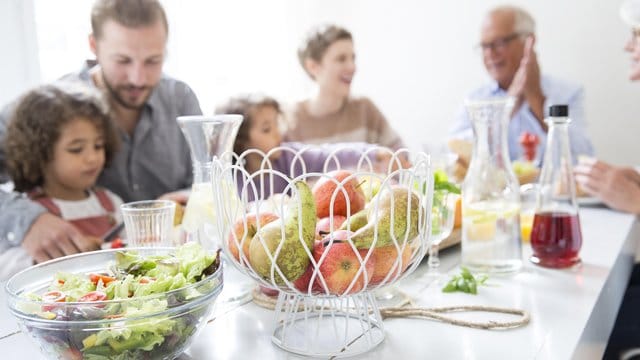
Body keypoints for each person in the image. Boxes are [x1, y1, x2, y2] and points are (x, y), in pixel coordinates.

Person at [0, 0, 200, 265]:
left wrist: (188, 199)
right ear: (94, 46)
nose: (138, 78)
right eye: (123, 60)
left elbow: (208, 180)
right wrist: (26, 220)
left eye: (153, 60)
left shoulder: (180, 99)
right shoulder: (50, 107)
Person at [1, 82, 122, 279]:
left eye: (98, 146)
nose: (92, 157)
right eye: (76, 149)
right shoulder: (29, 211)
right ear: (41, 153)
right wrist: (39, 261)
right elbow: (5, 266)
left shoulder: (110, 202)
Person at [449, 5, 594, 162]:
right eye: (484, 46)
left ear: (528, 41)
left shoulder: (567, 92)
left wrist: (537, 98)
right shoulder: (475, 99)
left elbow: (582, 159)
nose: (490, 54)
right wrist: (509, 104)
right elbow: (455, 156)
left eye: (499, 43)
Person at [217, 94, 401, 200]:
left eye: (276, 124)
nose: (277, 133)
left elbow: (328, 155)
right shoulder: (231, 179)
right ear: (240, 141)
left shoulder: (289, 156)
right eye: (266, 129)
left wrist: (373, 152)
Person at [285, 24, 405, 150]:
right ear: (313, 67)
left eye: (353, 58)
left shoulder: (365, 110)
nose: (352, 67)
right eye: (341, 59)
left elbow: (402, 158)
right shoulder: (290, 120)